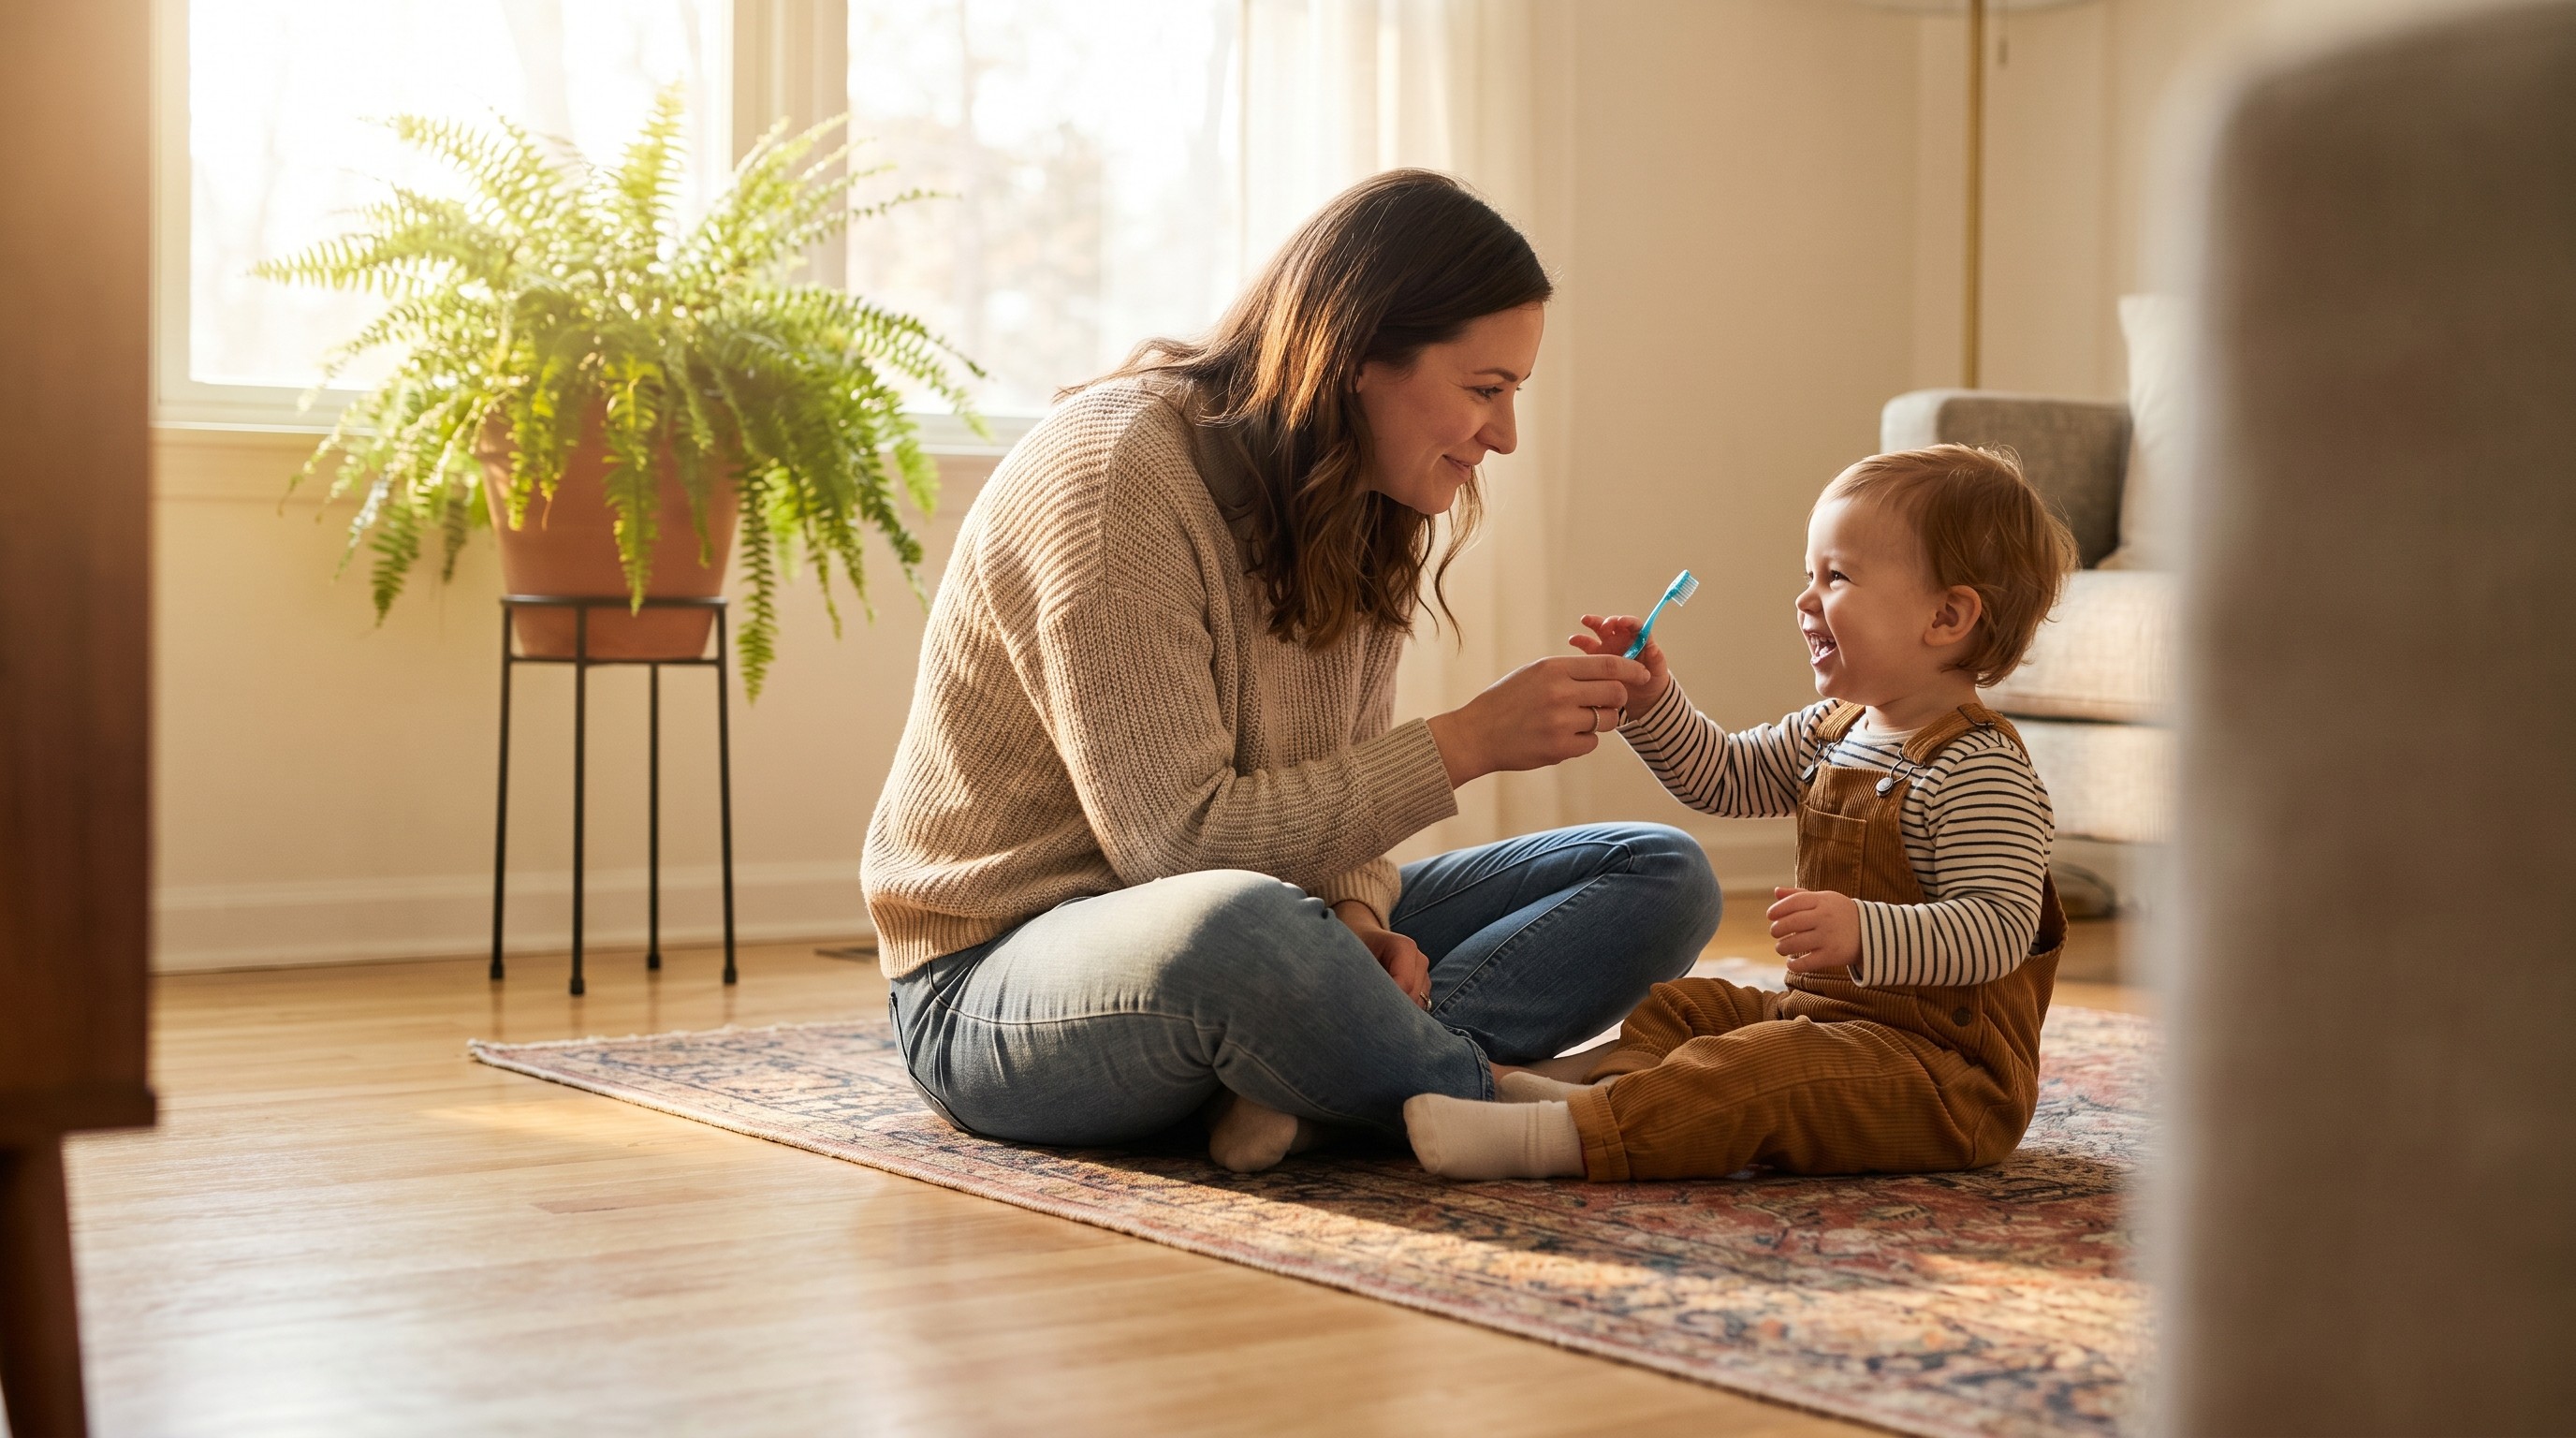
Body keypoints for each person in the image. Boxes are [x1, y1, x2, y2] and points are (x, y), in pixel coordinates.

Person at [862, 170, 1721, 1174]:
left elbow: (1339, 783)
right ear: (1359, 355)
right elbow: (1177, 848)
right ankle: (1484, 1099)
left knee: (1661, 874)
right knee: (1245, 930)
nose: (1504, 435)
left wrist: (1357, 918)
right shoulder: (1112, 480)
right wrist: (1467, 743)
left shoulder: (1368, 497)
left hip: (1270, 927)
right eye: (1484, 390)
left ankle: (1322, 1089)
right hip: (996, 977)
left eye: (1514, 393)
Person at [1403, 444, 2078, 1181]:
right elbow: (1722, 776)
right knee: (1691, 1011)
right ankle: (1569, 1086)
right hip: (1827, 1024)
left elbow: (2001, 930)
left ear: (1947, 616)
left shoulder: (1979, 768)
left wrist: (1862, 928)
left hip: (1943, 1075)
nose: (1805, 599)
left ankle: (1559, 1140)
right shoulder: (1835, 728)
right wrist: (1654, 705)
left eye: (1838, 577)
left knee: (1763, 1069)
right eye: (1808, 574)